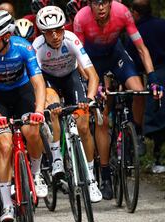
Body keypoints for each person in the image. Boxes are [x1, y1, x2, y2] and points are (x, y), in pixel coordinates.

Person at [74, 0, 162, 200]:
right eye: (97, 3)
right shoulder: (81, 18)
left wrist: (153, 78)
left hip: (116, 56)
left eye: (105, 2)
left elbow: (141, 48)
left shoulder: (123, 12)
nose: (102, 7)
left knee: (139, 91)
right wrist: (91, 83)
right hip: (91, 62)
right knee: (102, 118)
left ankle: (136, 134)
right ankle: (105, 175)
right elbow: (77, 57)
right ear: (90, 5)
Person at [0, 11, 47, 222]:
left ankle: (35, 175)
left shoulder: (24, 47)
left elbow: (38, 83)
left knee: (32, 131)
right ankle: (6, 204)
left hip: (21, 92)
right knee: (5, 145)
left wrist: (40, 110)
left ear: (6, 37)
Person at [33, 6, 102, 202]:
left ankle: (91, 179)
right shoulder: (37, 46)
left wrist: (89, 98)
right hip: (47, 80)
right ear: (42, 32)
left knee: (83, 125)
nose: (55, 35)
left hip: (70, 77)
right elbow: (35, 80)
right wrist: (44, 102)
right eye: (49, 31)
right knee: (54, 108)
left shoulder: (72, 39)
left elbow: (93, 75)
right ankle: (56, 160)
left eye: (59, 29)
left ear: (64, 28)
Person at [126, 0, 165, 174]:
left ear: (136, 13)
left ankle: (158, 157)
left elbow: (132, 62)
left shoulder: (135, 34)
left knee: (157, 117)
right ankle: (160, 158)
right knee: (163, 116)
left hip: (154, 76)